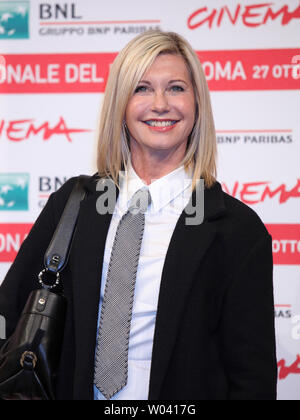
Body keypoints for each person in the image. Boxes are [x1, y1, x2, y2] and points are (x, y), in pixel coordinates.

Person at [0, 30, 277, 400]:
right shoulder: (74, 204)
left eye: (176, 88)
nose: (160, 104)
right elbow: (9, 312)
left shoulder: (238, 231)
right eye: (142, 88)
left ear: (197, 103)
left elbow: (252, 377)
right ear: (120, 103)